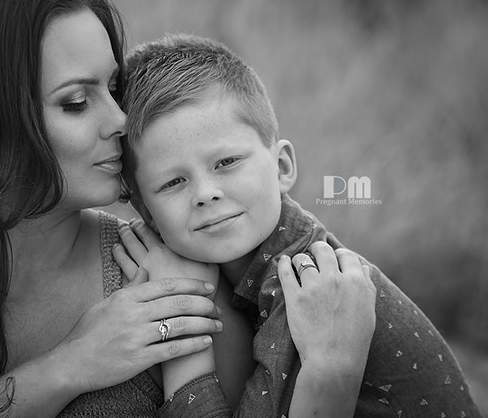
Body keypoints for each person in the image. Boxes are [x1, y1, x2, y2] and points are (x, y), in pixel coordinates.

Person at [0, 0, 376, 418]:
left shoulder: (171, 276)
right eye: (76, 103)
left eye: (113, 89)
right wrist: (70, 367)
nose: (123, 121)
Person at [111, 33, 482, 417]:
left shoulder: (301, 285)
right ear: (146, 213)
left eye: (226, 163)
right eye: (174, 182)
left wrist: (185, 358)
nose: (205, 193)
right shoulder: (258, 273)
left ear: (282, 167)